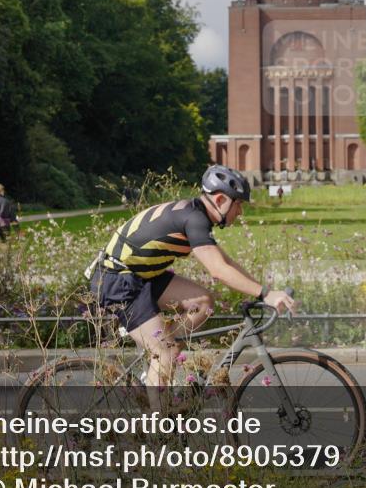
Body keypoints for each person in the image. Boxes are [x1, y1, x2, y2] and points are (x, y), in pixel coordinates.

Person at [87, 164, 296, 388]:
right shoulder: (194, 219)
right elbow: (218, 270)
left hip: (141, 275)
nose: (240, 212)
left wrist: (265, 292)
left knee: (202, 303)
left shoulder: (195, 214)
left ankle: (159, 364)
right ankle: (155, 417)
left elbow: (227, 262)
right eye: (238, 204)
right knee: (164, 352)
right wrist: (265, 293)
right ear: (219, 200)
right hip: (117, 280)